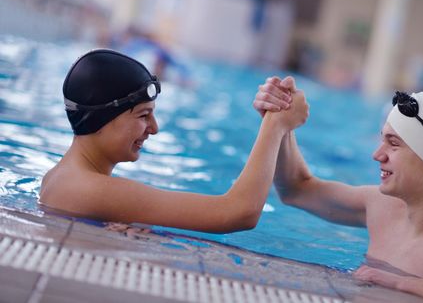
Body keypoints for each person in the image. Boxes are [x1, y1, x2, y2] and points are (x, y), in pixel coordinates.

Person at [253, 76, 423, 302]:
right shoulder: (379, 205)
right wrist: (280, 123)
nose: (377, 154)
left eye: (393, 144)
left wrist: (403, 285)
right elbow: (297, 189)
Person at [39, 50, 309, 233]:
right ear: (103, 118)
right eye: (144, 115)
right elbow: (238, 212)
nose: (154, 129)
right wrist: (276, 124)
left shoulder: (64, 178)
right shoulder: (92, 189)